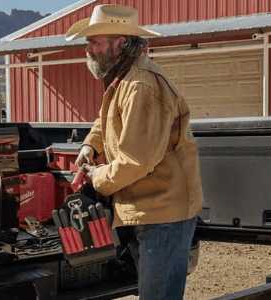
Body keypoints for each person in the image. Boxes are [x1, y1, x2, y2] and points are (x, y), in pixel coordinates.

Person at [66, 4, 204, 300]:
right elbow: (106, 121)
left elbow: (135, 161)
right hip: (145, 208)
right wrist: (91, 145)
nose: (88, 49)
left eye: (94, 41)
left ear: (121, 43)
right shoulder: (123, 78)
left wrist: (96, 176)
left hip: (162, 213)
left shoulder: (141, 85)